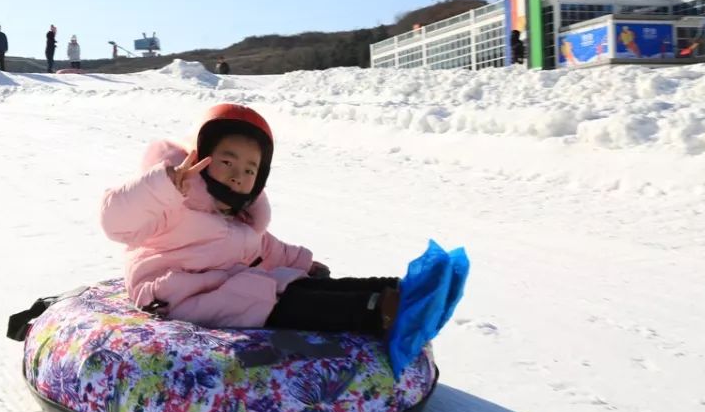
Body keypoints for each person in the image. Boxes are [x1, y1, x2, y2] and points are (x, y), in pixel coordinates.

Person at [99, 103, 469, 373]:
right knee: (279, 302)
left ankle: (404, 290)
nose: (237, 175)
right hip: (171, 296)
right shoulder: (172, 204)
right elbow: (115, 221)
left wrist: (303, 262)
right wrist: (162, 185)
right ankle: (381, 310)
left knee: (290, 282)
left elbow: (267, 249)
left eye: (249, 169)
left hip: (222, 287)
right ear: (202, 157)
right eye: (227, 161)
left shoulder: (235, 217)